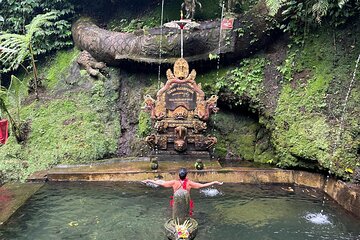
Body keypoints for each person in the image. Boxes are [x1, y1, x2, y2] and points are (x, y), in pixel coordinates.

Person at [142, 168, 223, 216]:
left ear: (179, 175)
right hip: (186, 201)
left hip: (176, 201)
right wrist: (214, 182)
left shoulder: (174, 182)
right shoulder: (189, 183)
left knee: (175, 213)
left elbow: (161, 183)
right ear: (186, 175)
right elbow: (202, 185)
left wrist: (149, 180)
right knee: (188, 214)